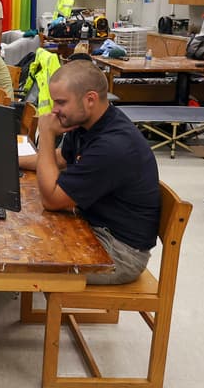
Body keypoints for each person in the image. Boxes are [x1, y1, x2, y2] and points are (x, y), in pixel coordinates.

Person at [28, 61, 160, 285]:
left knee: (29, 253)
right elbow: (59, 158)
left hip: (119, 253)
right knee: (29, 226)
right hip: (96, 226)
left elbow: (51, 199)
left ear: (90, 99)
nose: (54, 110)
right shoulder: (88, 122)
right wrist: (10, 161)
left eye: (61, 102)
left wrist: (47, 135)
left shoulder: (113, 145)